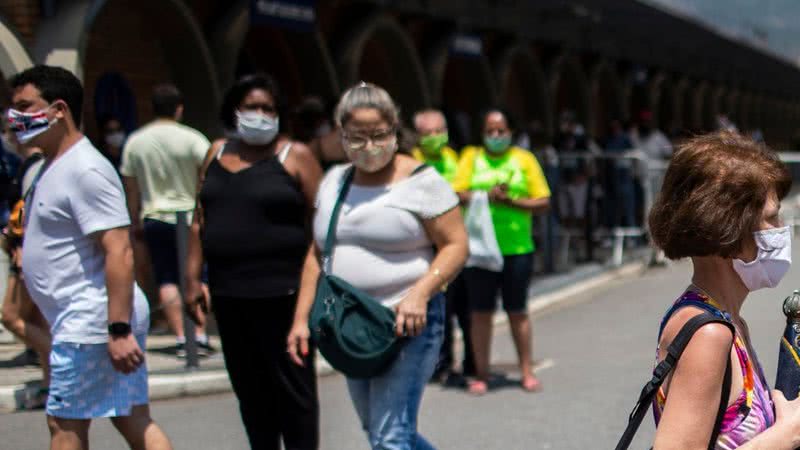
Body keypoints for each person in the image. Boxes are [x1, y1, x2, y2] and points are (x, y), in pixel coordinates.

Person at [287, 82, 468, 450]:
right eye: (357, 137)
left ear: (395, 130)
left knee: (389, 438)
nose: (369, 146)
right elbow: (317, 252)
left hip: (407, 323)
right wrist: (300, 319)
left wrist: (420, 293)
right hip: (353, 324)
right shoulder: (335, 181)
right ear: (341, 135)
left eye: (379, 135)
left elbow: (456, 245)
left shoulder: (423, 182)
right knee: (380, 431)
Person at [9, 65, 172, 449]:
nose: (14, 117)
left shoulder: (87, 170)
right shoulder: (47, 166)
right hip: (83, 317)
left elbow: (119, 250)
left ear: (59, 109)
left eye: (25, 106)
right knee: (130, 416)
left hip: (91, 320)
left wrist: (117, 330)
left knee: (64, 423)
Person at [184, 73, 323, 450]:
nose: (260, 115)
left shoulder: (297, 157)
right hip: (230, 295)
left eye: (268, 108)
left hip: (285, 296)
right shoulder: (215, 152)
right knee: (251, 393)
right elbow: (200, 218)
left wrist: (313, 295)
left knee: (294, 397)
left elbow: (320, 230)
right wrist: (193, 278)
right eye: (252, 107)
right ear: (235, 110)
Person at [647, 131, 800, 449]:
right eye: (771, 217)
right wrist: (784, 436)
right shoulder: (709, 335)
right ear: (727, 230)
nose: (781, 228)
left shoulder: (727, 321)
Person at [453, 109, 551, 395]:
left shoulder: (524, 160)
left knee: (517, 311)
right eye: (490, 131)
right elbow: (456, 192)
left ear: (510, 131)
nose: (495, 136)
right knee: (480, 312)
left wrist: (511, 201)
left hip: (516, 248)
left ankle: (526, 371)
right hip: (480, 249)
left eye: (500, 130)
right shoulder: (470, 157)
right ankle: (481, 373)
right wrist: (486, 195)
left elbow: (543, 201)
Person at [120, 83, 213, 357]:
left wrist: (133, 218)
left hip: (155, 216)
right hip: (191, 217)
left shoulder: (136, 142)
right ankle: (201, 333)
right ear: (179, 108)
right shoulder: (194, 139)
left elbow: (131, 186)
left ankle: (184, 337)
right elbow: (208, 175)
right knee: (198, 275)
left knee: (167, 277)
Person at [411, 109, 475, 382]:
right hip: (425, 248)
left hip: (457, 245)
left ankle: (472, 361)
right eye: (428, 133)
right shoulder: (410, 162)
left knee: (465, 308)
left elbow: (465, 193)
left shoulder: (456, 160)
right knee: (440, 309)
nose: (435, 137)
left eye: (439, 131)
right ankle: (439, 363)